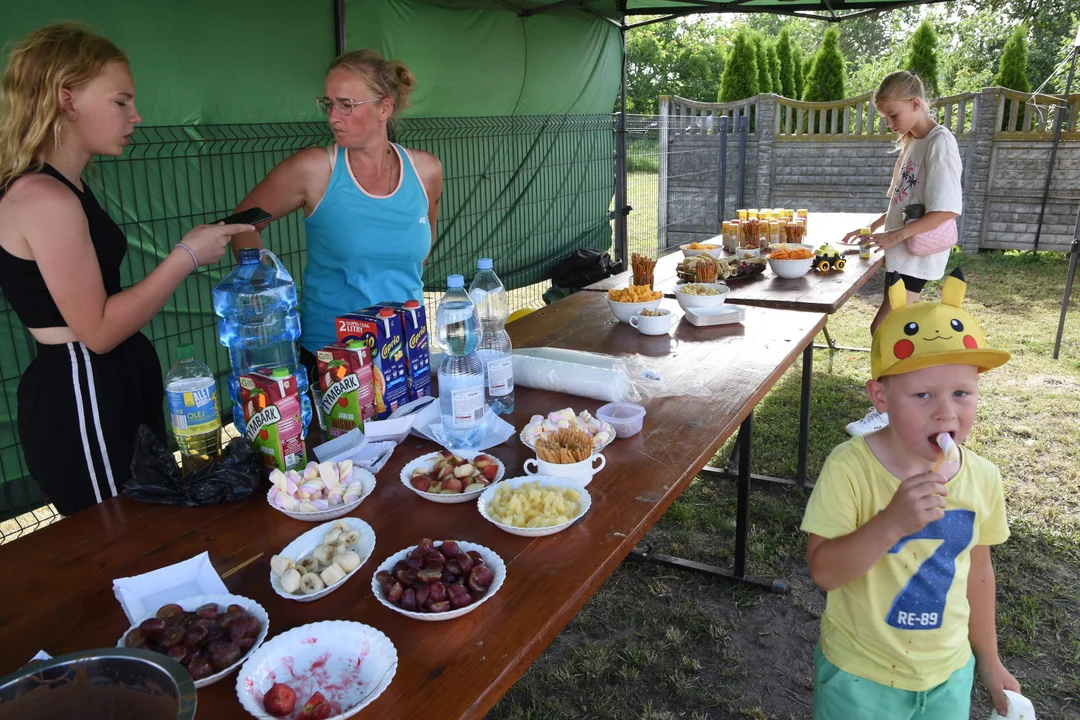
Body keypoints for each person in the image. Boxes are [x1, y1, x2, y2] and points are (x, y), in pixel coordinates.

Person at [0, 24, 253, 516]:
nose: (135, 116)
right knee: (117, 533)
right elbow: (95, 330)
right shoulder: (42, 197)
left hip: (109, 380)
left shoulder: (67, 185)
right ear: (67, 99)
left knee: (147, 521)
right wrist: (187, 256)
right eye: (121, 102)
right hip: (82, 390)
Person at [801, 269, 1019, 720]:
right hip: (860, 677)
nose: (946, 412)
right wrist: (891, 523)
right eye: (922, 394)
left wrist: (990, 661)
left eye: (962, 392)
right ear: (880, 397)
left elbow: (978, 572)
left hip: (948, 674)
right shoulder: (850, 467)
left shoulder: (983, 478)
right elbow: (823, 571)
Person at [229, 48, 443, 374]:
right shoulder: (314, 169)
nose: (332, 117)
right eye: (329, 104)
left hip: (404, 353)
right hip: (333, 361)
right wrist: (266, 288)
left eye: (346, 105)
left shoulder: (425, 171)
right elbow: (241, 225)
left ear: (384, 107)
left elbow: (420, 252)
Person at [842, 70, 964, 437]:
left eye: (893, 115)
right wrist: (879, 223)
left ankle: (894, 410)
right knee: (890, 329)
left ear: (915, 104)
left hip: (916, 252)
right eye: (885, 117)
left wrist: (894, 236)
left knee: (885, 328)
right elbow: (905, 198)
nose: (890, 123)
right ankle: (904, 404)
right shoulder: (914, 140)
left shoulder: (940, 142)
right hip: (903, 249)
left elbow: (946, 210)